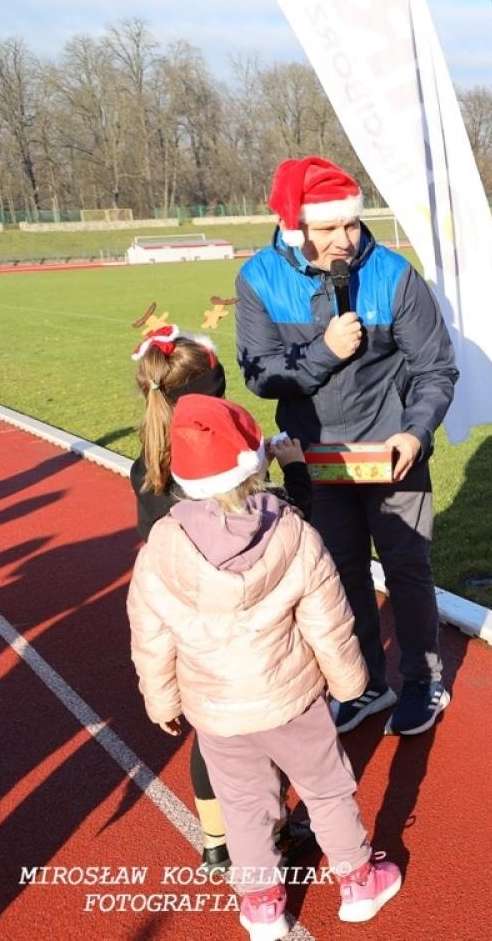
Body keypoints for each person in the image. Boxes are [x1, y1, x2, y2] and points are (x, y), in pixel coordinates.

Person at [127, 395, 402, 940]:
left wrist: (162, 701)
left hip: (218, 711)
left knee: (243, 806)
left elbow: (150, 633)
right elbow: (329, 616)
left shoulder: (161, 544)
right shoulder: (293, 531)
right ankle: (357, 881)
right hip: (292, 698)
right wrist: (351, 683)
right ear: (255, 461)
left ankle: (261, 906)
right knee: (326, 788)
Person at [235, 156, 459, 737]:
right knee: (340, 575)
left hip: (393, 455)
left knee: (408, 569)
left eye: (351, 225)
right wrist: (324, 352)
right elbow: (262, 377)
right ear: (297, 228)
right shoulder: (258, 279)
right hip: (316, 462)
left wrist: (416, 431)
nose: (344, 238)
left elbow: (435, 368)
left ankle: (422, 681)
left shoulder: (392, 274)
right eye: (330, 227)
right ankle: (365, 685)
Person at [129, 324, 313, 878]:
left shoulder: (147, 466)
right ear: (215, 390)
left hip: (189, 629)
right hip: (252, 628)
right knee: (268, 728)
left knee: (212, 735)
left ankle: (215, 841)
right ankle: (272, 827)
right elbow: (287, 526)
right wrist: (294, 469)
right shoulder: (233, 463)